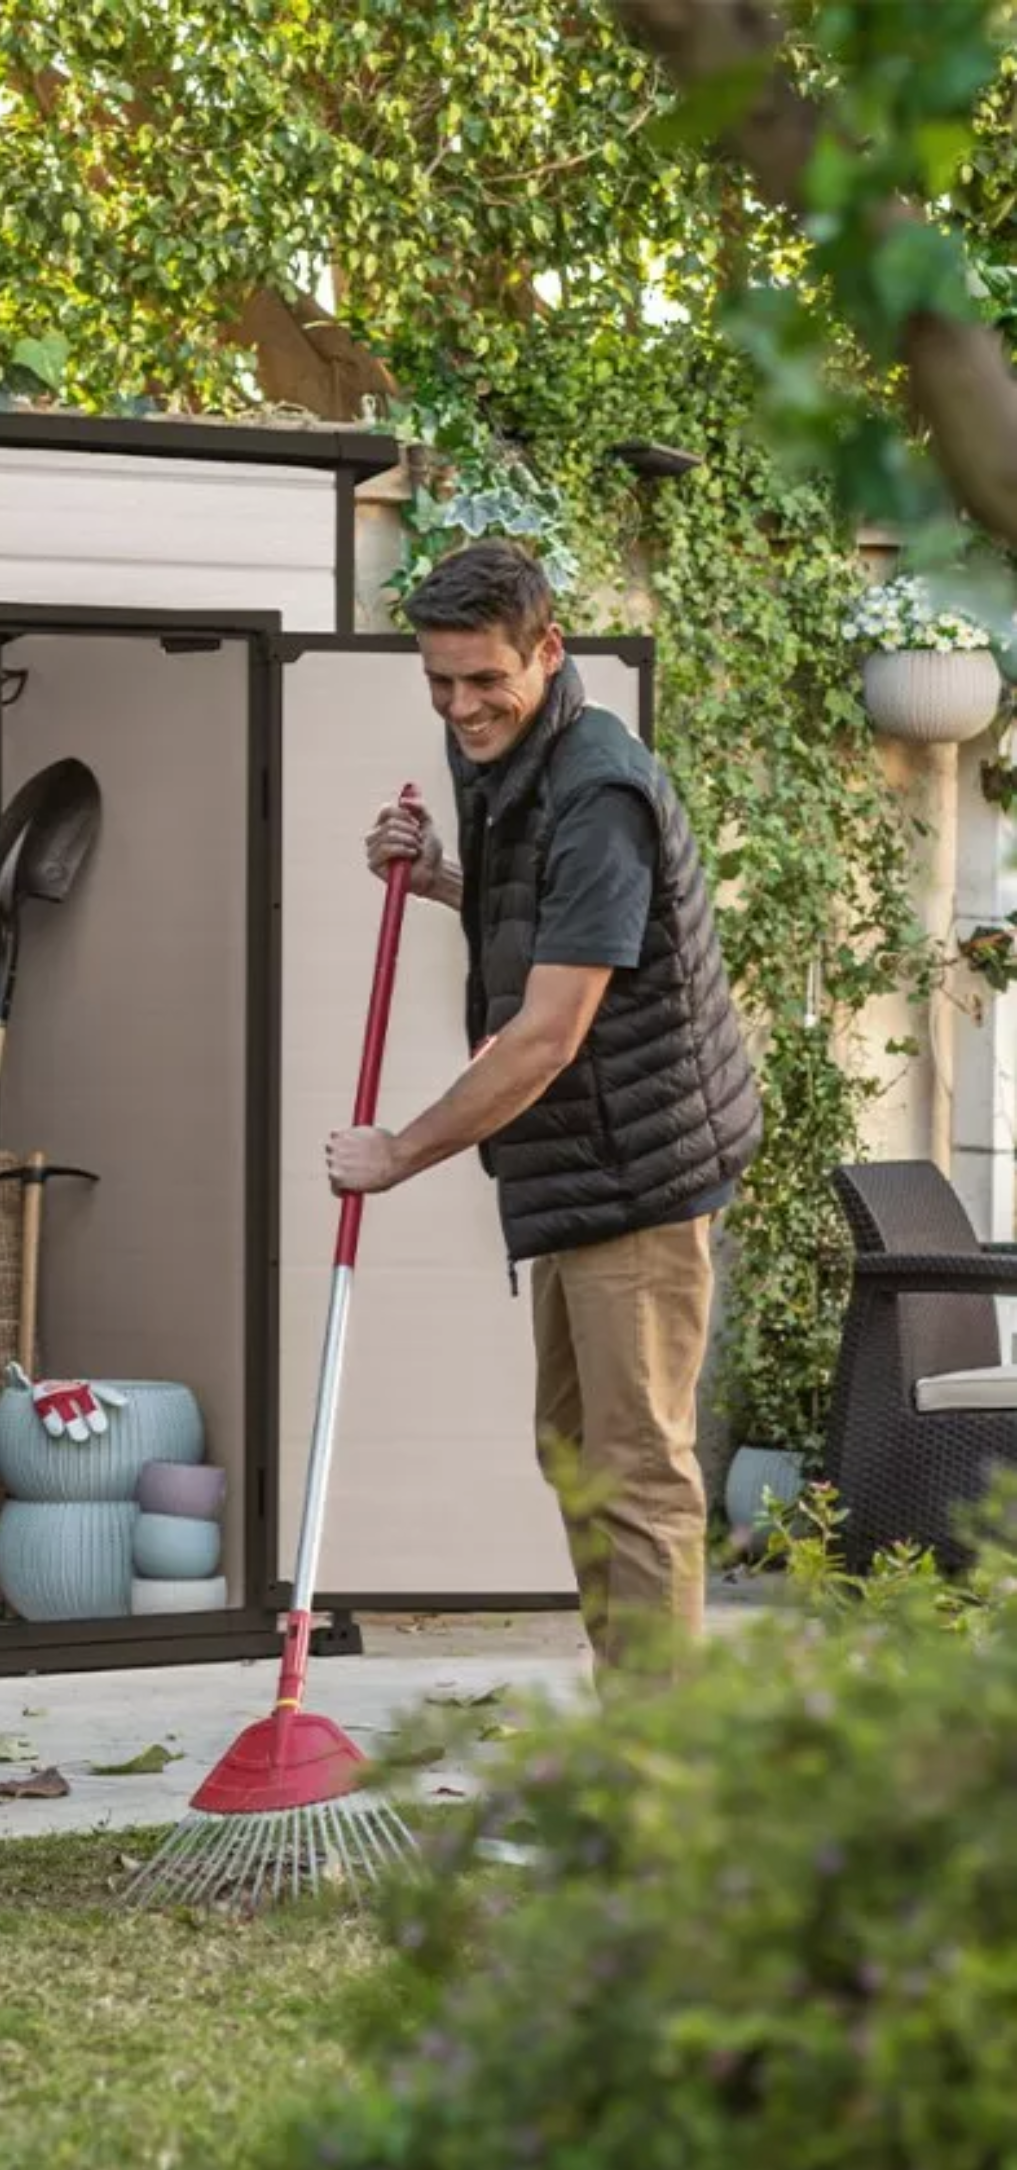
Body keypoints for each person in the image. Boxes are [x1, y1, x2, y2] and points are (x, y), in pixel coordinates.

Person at [325, 538, 761, 1686]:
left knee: (636, 1467)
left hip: (639, 1166)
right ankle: (634, 1704)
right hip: (573, 1163)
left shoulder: (601, 791)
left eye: (484, 679)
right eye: (439, 681)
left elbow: (549, 1030)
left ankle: (660, 1753)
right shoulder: (511, 754)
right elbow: (547, 916)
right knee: (573, 1451)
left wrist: (397, 1152)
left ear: (548, 650)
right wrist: (438, 878)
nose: (460, 705)